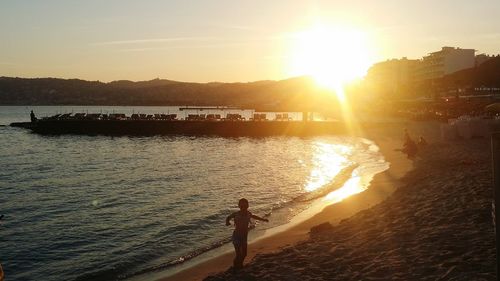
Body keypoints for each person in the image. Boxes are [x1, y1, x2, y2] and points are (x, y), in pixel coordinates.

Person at [226, 198, 268, 270]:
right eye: (241, 206)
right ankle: (236, 266)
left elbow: (254, 216)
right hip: (236, 236)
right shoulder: (236, 214)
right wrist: (227, 222)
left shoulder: (248, 214)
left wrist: (263, 219)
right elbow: (228, 217)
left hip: (244, 237)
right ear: (239, 206)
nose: (243, 208)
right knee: (238, 254)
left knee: (244, 254)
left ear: (248, 206)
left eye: (245, 206)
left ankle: (240, 264)